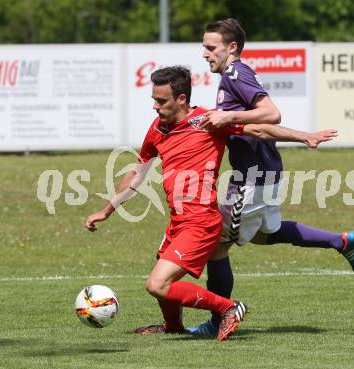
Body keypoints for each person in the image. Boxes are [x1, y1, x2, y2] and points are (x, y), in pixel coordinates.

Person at [84, 66, 337, 341]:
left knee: (157, 284)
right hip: (179, 220)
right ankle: (173, 327)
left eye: (161, 101)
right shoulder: (158, 128)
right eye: (154, 100)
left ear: (181, 99)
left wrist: (304, 136)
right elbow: (138, 171)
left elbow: (259, 130)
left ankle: (228, 308)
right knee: (162, 267)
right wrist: (107, 209)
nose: (155, 107)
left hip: (200, 222)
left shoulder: (207, 121)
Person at [187, 18, 354, 336]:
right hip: (265, 173)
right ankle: (341, 241)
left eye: (210, 47)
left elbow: (270, 113)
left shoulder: (234, 73)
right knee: (266, 234)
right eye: (204, 46)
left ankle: (218, 320)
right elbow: (260, 126)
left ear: (231, 48)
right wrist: (304, 136)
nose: (204, 53)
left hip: (252, 179)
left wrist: (228, 116)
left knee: (216, 245)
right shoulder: (234, 75)